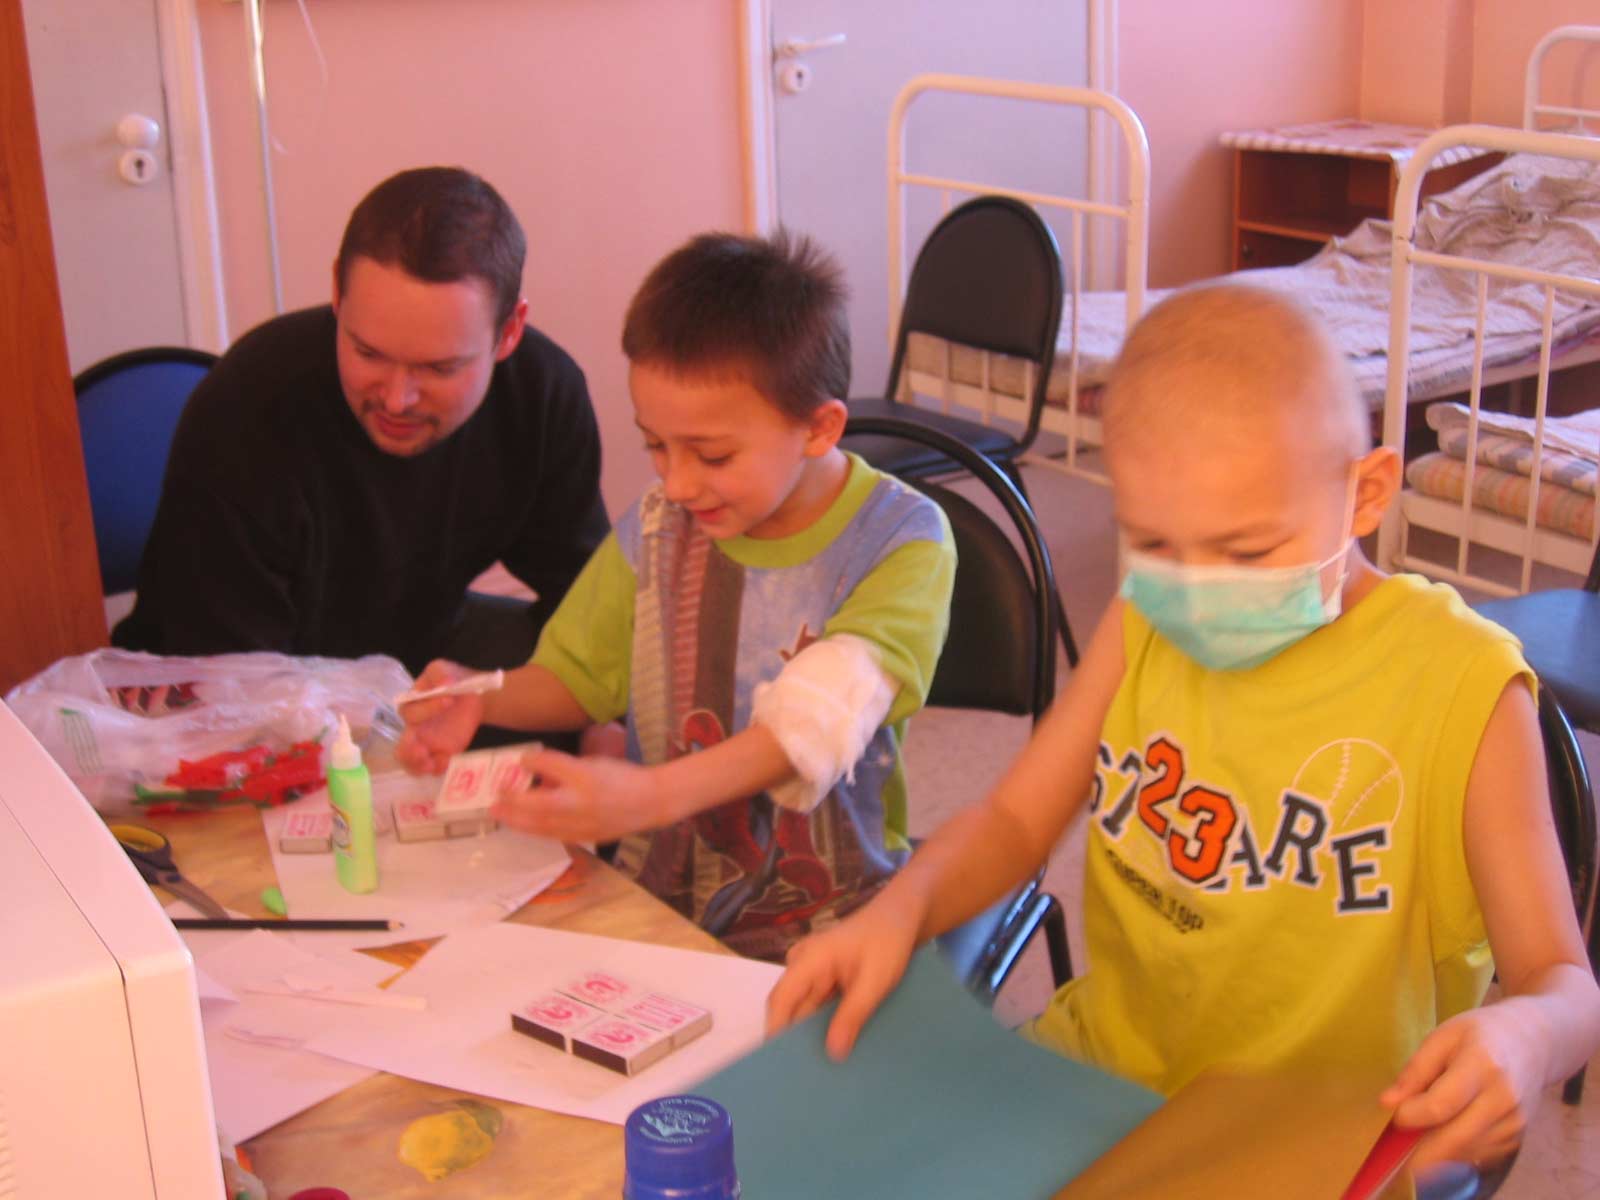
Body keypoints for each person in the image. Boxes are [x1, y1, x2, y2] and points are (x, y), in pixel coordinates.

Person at [766, 283, 1600, 1177]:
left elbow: (1563, 982)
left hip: (1309, 1150)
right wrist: (899, 912)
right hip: (1099, 1085)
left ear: (1365, 494)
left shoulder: (1464, 689)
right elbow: (1013, 822)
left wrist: (1523, 1037)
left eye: (1246, 552)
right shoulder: (1145, 618)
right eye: (1156, 545)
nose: (1195, 592)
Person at [397, 230, 955, 961]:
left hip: (832, 915)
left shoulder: (902, 540)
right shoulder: (662, 526)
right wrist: (484, 694)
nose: (679, 483)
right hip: (664, 897)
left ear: (819, 428)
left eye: (713, 455)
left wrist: (648, 795)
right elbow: (580, 677)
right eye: (656, 446)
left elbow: (815, 723)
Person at [114, 167, 609, 677]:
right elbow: (229, 682)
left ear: (509, 332)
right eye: (368, 353)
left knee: (617, 677)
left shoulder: (542, 394)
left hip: (416, 644)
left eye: (439, 368)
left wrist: (584, 717)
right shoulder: (250, 404)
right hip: (226, 676)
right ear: (337, 291)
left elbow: (586, 599)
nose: (396, 400)